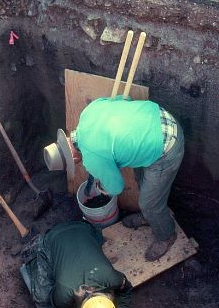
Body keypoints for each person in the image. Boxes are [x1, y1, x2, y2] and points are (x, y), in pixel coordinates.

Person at [68, 95, 185, 261]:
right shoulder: (88, 112)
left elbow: (116, 188)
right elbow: (124, 99)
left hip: (167, 147)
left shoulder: (92, 158)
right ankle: (150, 216)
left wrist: (103, 186)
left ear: (72, 159)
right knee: (142, 180)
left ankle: (166, 235)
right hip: (158, 118)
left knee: (149, 203)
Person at [22, 221, 133, 308]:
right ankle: (27, 266)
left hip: (84, 226)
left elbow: (126, 289)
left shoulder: (111, 277)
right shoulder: (64, 293)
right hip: (52, 238)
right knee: (42, 297)